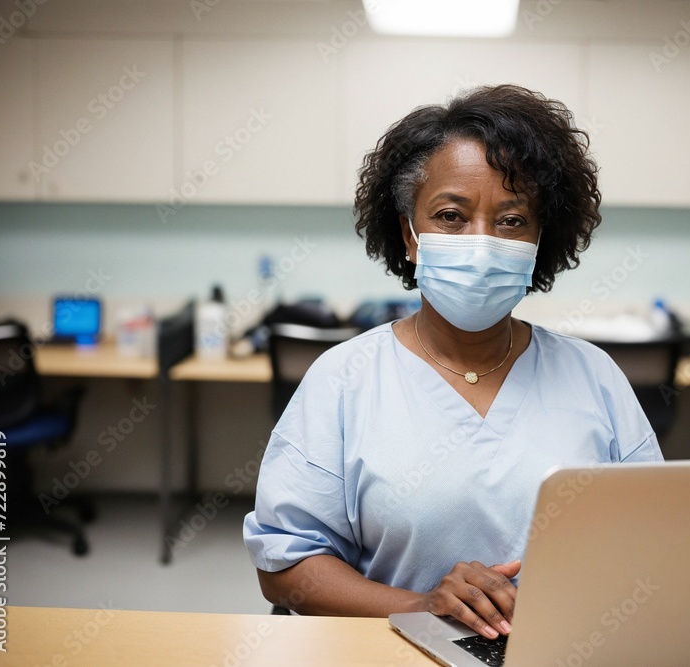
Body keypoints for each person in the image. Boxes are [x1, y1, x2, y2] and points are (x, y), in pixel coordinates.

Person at [243, 84, 662, 640]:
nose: (482, 242)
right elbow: (285, 569)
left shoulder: (594, 377)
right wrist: (423, 606)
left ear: (541, 238)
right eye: (450, 215)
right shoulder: (343, 381)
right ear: (410, 237)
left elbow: (656, 539)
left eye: (512, 220)